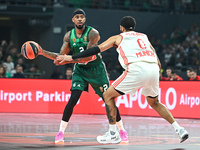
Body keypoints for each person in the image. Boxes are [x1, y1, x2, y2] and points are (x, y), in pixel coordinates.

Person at [56, 16, 189, 144]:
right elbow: (153, 52)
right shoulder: (143, 36)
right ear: (134, 27)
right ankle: (179, 129)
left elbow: (96, 50)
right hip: (153, 68)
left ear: (121, 28)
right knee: (155, 103)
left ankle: (113, 134)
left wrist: (71, 58)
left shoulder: (118, 37)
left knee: (107, 95)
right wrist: (158, 69)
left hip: (136, 68)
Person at [37, 9, 128, 144]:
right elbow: (61, 57)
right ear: (73, 20)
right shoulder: (68, 36)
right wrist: (42, 52)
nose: (79, 19)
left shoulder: (93, 33)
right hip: (80, 71)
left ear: (84, 19)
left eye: (82, 17)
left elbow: (89, 56)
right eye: (77, 17)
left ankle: (121, 130)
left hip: (97, 70)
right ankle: (61, 132)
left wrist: (68, 58)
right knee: (73, 98)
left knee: (108, 100)